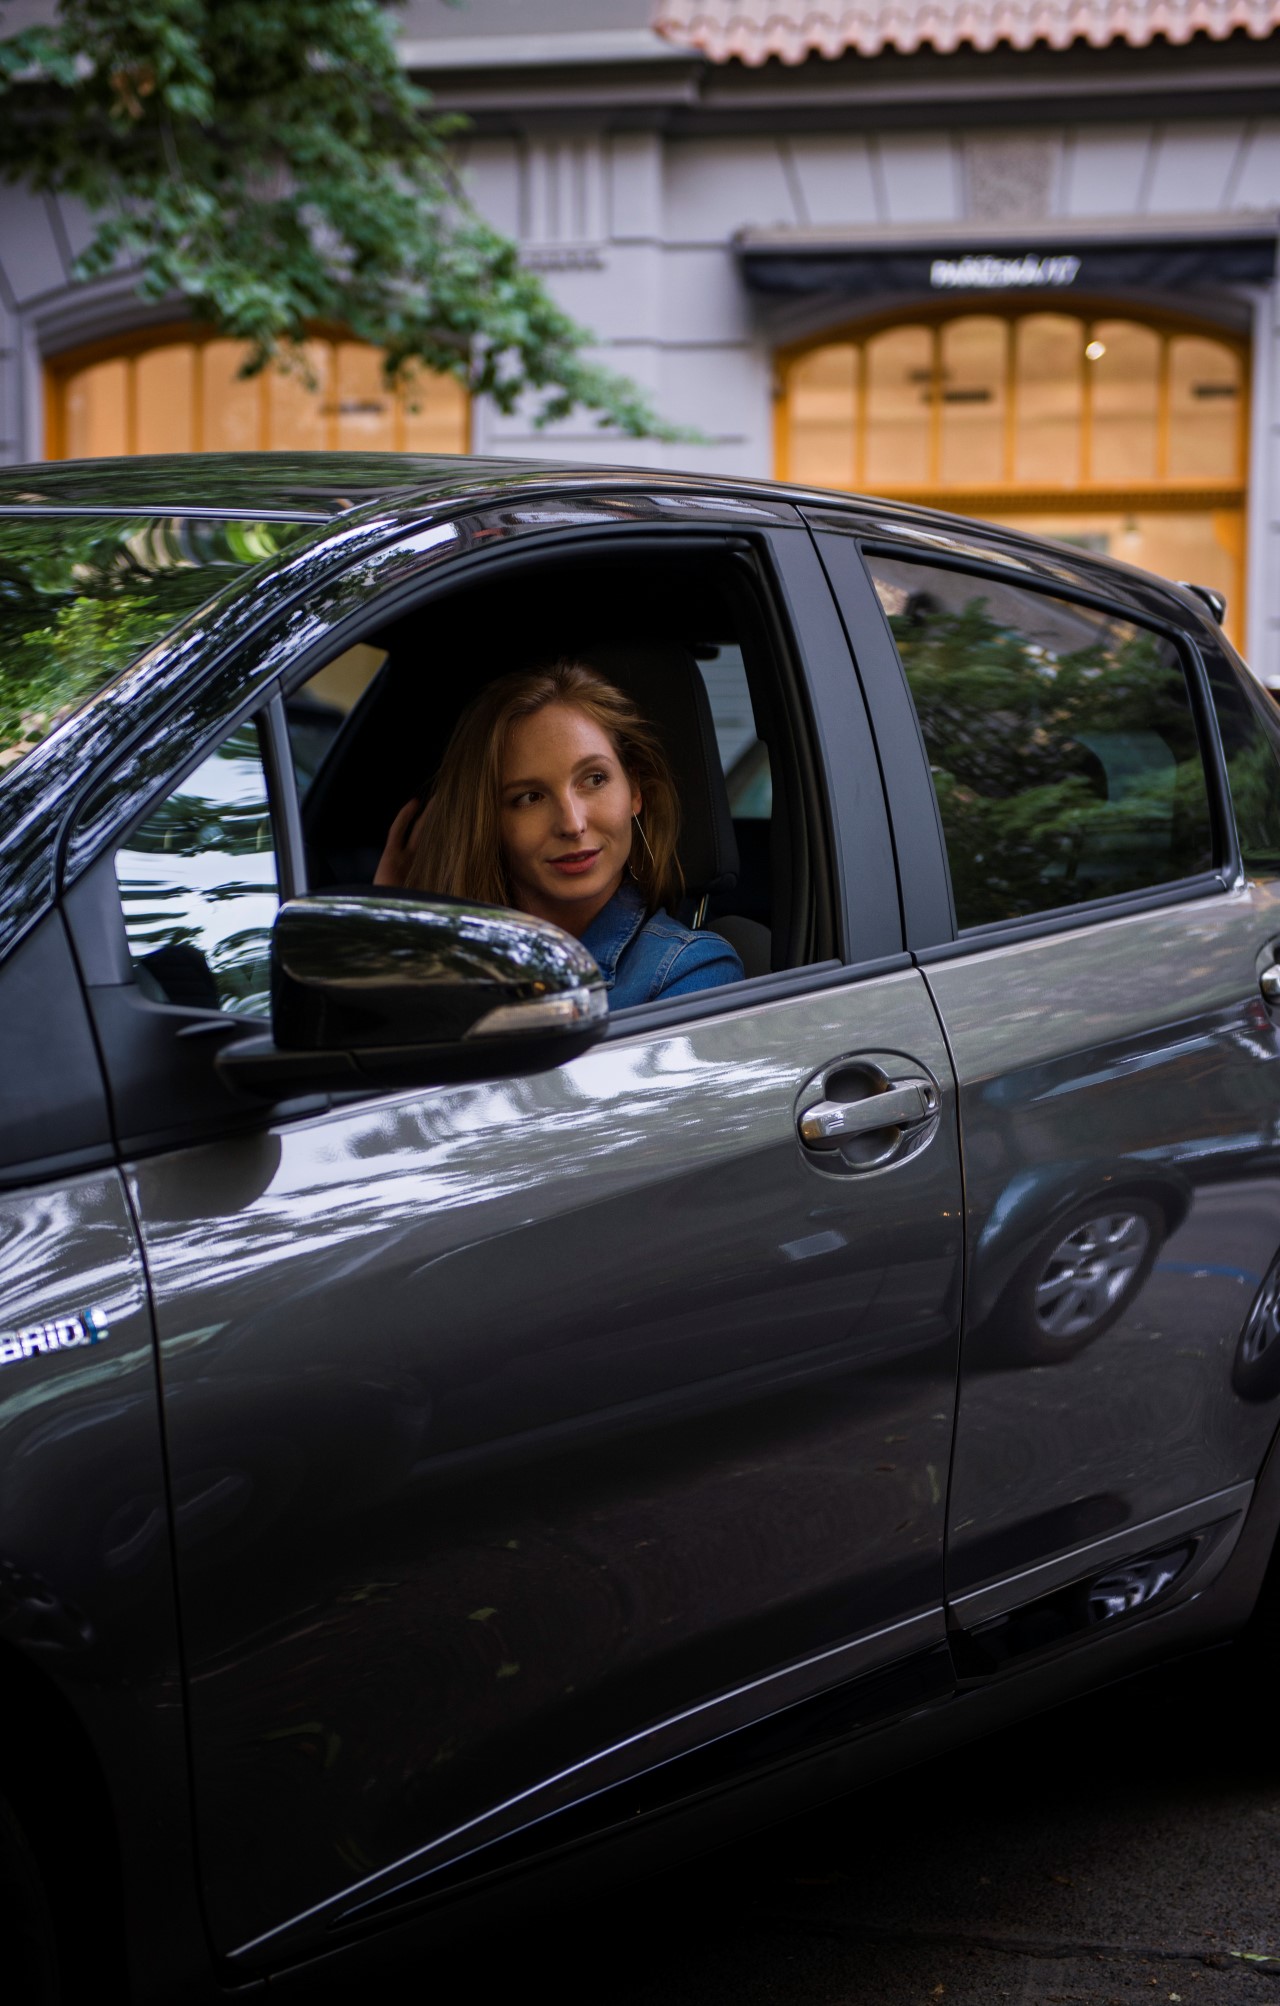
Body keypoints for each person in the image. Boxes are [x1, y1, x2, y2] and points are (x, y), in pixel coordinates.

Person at [374, 660, 745, 1009]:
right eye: (530, 797)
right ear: (489, 822)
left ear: (635, 790)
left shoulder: (691, 970)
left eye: (594, 779)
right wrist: (390, 933)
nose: (571, 824)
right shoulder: (444, 959)